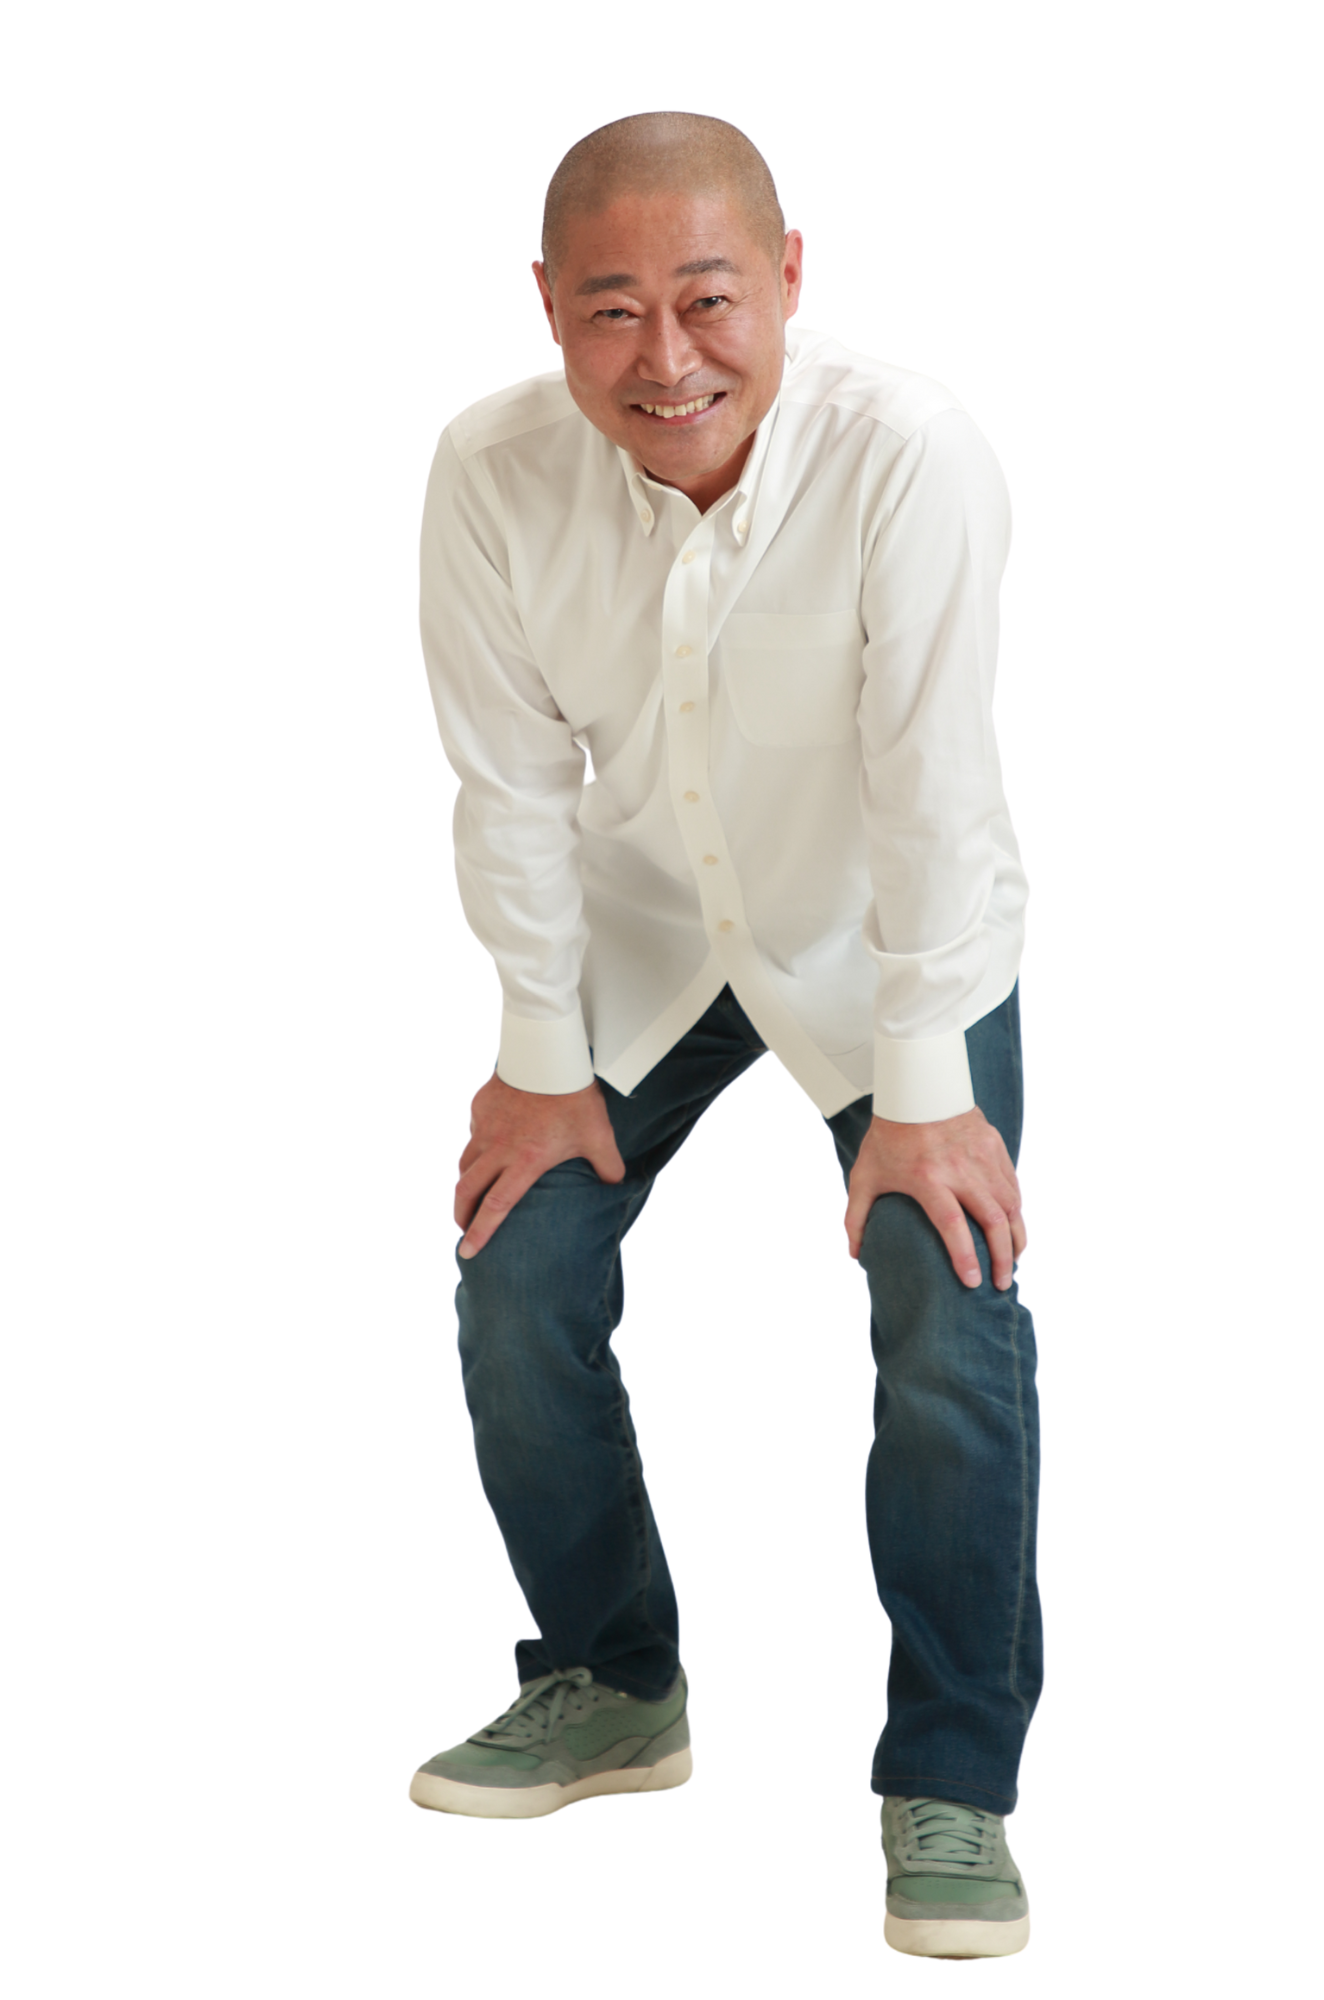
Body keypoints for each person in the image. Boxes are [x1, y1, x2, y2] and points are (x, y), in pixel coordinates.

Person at [412, 110, 1041, 1961]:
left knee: (948, 1298)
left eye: (707, 298)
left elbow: (933, 788)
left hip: (885, 945)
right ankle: (613, 1681)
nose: (665, 357)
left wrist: (923, 1100)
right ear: (548, 306)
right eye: (611, 310)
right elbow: (509, 789)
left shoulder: (909, 455)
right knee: (516, 1273)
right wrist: (540, 1055)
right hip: (647, 938)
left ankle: (952, 1775)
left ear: (788, 277)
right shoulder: (489, 475)